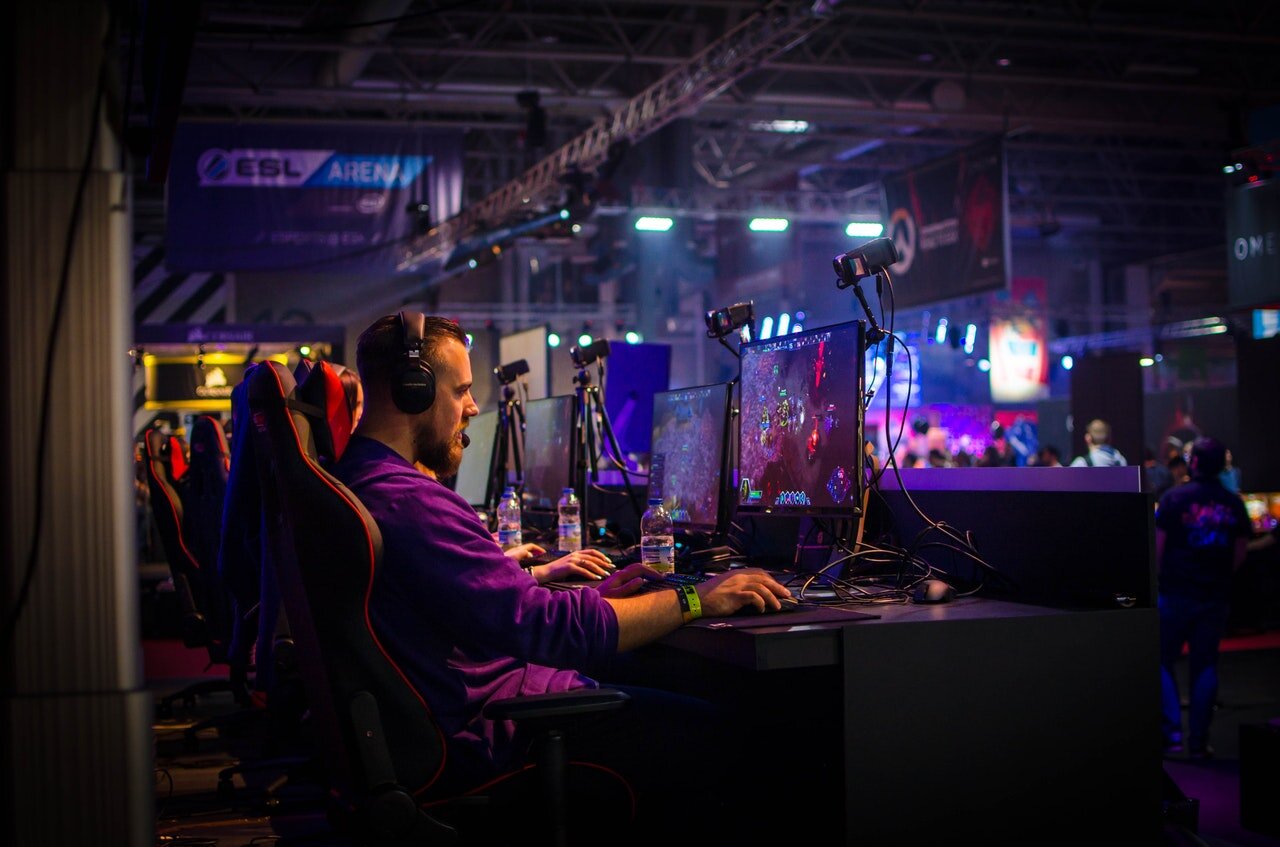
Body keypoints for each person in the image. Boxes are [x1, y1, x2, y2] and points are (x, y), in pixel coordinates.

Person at [333, 312, 790, 835]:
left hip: (461, 715)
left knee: (664, 678)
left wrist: (595, 595)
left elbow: (494, 610)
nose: (473, 407)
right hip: (498, 736)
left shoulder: (358, 482)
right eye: (460, 390)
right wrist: (698, 600)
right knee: (732, 737)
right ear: (412, 392)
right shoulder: (408, 502)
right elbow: (543, 627)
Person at [1156, 437, 1251, 759]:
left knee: (1161, 661)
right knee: (1206, 665)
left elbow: (1158, 548)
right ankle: (1199, 741)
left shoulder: (1173, 499)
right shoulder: (1233, 503)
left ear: (1193, 462)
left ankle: (1172, 737)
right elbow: (1240, 554)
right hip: (1214, 595)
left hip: (1175, 592)